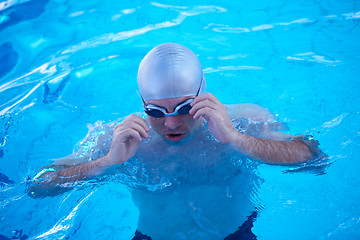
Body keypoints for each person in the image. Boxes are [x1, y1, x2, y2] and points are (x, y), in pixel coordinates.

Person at [30, 43, 320, 240]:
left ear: (203, 93)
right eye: (155, 111)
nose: (170, 123)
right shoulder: (120, 138)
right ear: (142, 103)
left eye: (184, 108)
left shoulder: (245, 121)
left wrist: (236, 139)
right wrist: (107, 162)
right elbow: (39, 185)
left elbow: (311, 156)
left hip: (236, 234)